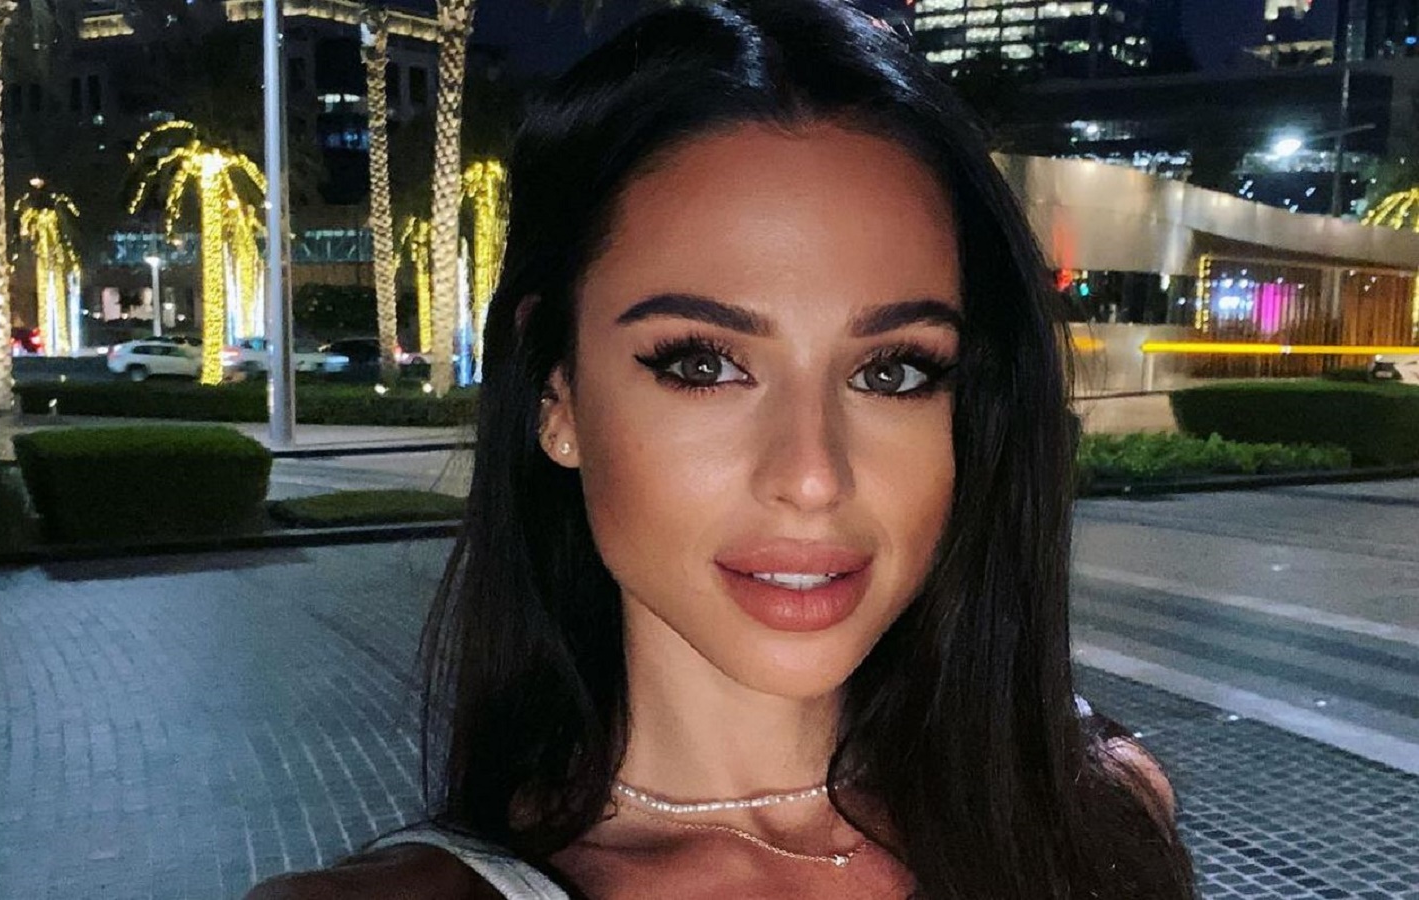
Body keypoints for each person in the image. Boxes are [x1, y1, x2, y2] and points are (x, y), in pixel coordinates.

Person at [247, 1, 1195, 897]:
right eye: (703, 365)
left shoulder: (1095, 815)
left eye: (893, 372)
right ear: (556, 390)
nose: (812, 476)